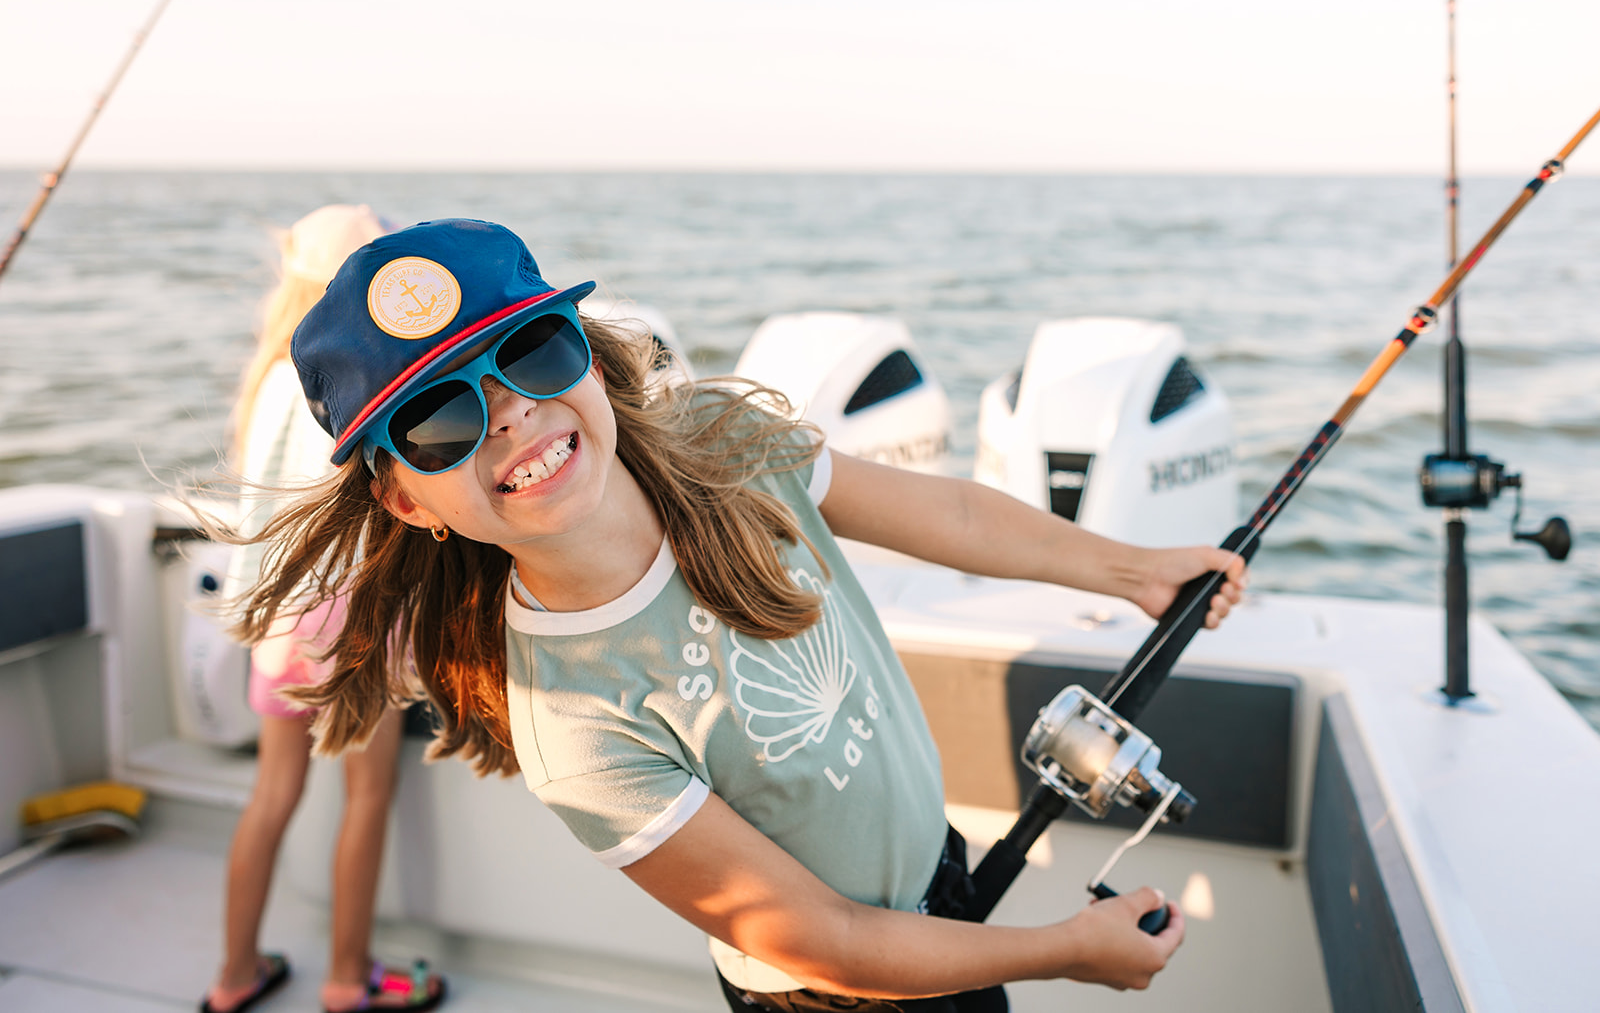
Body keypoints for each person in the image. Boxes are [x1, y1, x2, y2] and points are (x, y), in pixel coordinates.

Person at [237, 217, 1246, 1012]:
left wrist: (1131, 569)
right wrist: (1063, 950)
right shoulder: (576, 727)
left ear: (584, 353)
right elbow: (833, 941)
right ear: (408, 500)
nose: (508, 410)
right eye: (438, 416)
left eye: (532, 351)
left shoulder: (722, 437)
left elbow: (946, 508)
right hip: (831, 994)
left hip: (934, 871)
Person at [201, 205, 446, 1013]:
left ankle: (234, 974)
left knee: (272, 794)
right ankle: (348, 977)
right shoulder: (360, 373)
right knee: (366, 795)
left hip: (278, 621)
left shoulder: (269, 376)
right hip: (357, 619)